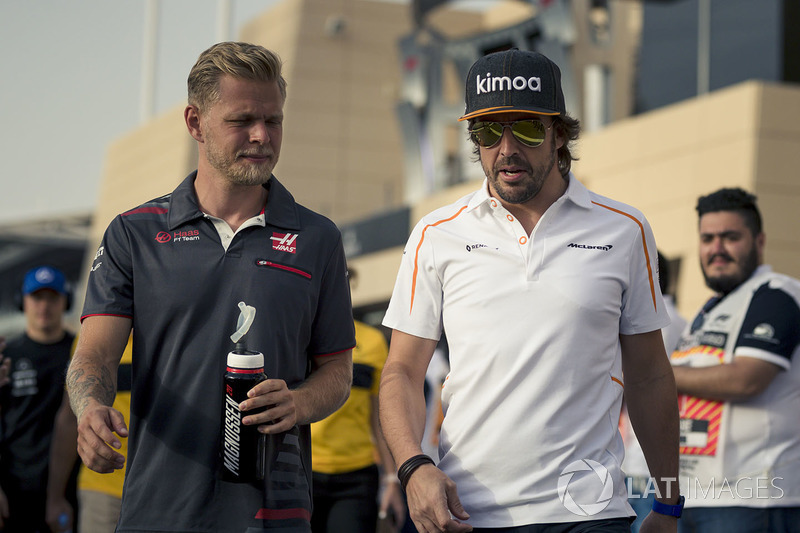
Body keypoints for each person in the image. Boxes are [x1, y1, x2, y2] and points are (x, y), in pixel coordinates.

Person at [379, 49, 681, 533]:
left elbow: (649, 377)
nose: (505, 149)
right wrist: (413, 468)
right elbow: (401, 372)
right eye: (486, 132)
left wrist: (667, 505)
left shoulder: (625, 230)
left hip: (589, 513)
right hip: (465, 514)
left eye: (525, 128)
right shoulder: (436, 233)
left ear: (560, 134)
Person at [66, 41, 355, 533]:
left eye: (274, 120)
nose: (262, 136)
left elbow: (337, 371)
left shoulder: (317, 238)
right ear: (195, 123)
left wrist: (299, 402)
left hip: (275, 516)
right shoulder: (133, 233)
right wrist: (90, 408)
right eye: (242, 120)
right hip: (158, 512)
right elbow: (93, 356)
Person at [670, 188, 800, 532]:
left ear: (759, 241)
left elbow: (746, 380)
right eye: (708, 238)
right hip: (695, 496)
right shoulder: (709, 309)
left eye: (730, 237)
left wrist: (659, 375)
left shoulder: (776, 294)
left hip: (754, 500)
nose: (717, 249)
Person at [310, 293, 406, 531]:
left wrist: (392, 479)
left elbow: (380, 420)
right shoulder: (302, 333)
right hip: (304, 471)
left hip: (357, 477)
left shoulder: (373, 341)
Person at [0, 265, 79, 533]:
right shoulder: (7, 356)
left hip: (70, 485)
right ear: (21, 302)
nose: (44, 306)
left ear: (65, 302)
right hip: (15, 487)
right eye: (36, 297)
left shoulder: (80, 353)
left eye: (52, 298)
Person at [623, 252, 688, 532]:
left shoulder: (661, 322)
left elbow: (642, 377)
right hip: (650, 461)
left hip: (643, 462)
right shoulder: (680, 320)